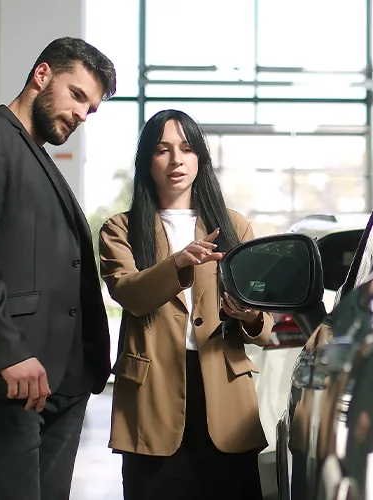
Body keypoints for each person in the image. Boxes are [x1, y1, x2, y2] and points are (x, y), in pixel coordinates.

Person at [0, 37, 116, 500]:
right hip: (3, 381)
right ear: (42, 74)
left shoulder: (39, 159)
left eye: (90, 109)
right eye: (77, 95)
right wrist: (7, 351)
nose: (81, 114)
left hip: (58, 386)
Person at [98, 109, 273, 499]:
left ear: (200, 159)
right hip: (153, 393)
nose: (176, 159)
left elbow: (263, 323)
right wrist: (177, 263)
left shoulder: (235, 226)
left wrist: (250, 316)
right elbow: (129, 293)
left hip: (224, 391)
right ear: (147, 161)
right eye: (163, 150)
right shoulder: (120, 229)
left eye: (187, 148)